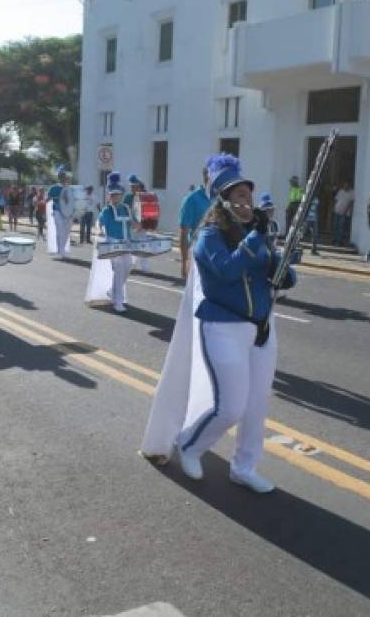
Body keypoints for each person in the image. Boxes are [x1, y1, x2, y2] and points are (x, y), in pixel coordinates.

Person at [140, 154, 297, 493]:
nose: (246, 202)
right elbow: (227, 270)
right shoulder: (208, 237)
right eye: (237, 196)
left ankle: (245, 467)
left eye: (247, 195)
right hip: (223, 327)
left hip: (262, 329)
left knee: (256, 409)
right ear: (222, 200)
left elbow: (286, 280)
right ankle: (190, 444)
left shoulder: (258, 234)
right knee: (231, 407)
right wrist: (255, 239)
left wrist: (282, 264)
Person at [96, 172, 134, 312]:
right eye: (112, 194)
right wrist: (99, 231)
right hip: (113, 244)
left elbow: (133, 223)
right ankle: (118, 301)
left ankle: (112, 291)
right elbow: (99, 222)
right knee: (119, 271)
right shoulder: (107, 210)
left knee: (128, 267)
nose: (115, 197)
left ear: (121, 195)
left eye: (117, 194)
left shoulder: (126, 208)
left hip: (127, 243)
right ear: (109, 196)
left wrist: (142, 225)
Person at [178, 165, 211, 279]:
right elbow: (184, 232)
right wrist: (184, 261)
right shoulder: (192, 199)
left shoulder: (220, 198)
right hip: (197, 253)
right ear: (207, 176)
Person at [46, 165, 71, 258]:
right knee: (60, 231)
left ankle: (62, 249)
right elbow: (48, 199)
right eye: (62, 176)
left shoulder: (69, 188)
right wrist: (41, 202)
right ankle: (60, 251)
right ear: (59, 177)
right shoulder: (54, 188)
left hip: (67, 213)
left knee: (66, 232)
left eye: (64, 176)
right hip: (57, 211)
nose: (64, 178)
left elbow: (72, 201)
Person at [331, 181, 354, 247]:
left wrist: (346, 211)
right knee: (335, 226)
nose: (345, 186)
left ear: (349, 185)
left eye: (346, 185)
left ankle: (339, 241)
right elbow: (336, 200)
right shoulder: (341, 191)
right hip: (337, 211)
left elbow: (351, 203)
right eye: (344, 185)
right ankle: (334, 239)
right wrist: (334, 208)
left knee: (341, 227)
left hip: (344, 212)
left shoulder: (352, 192)